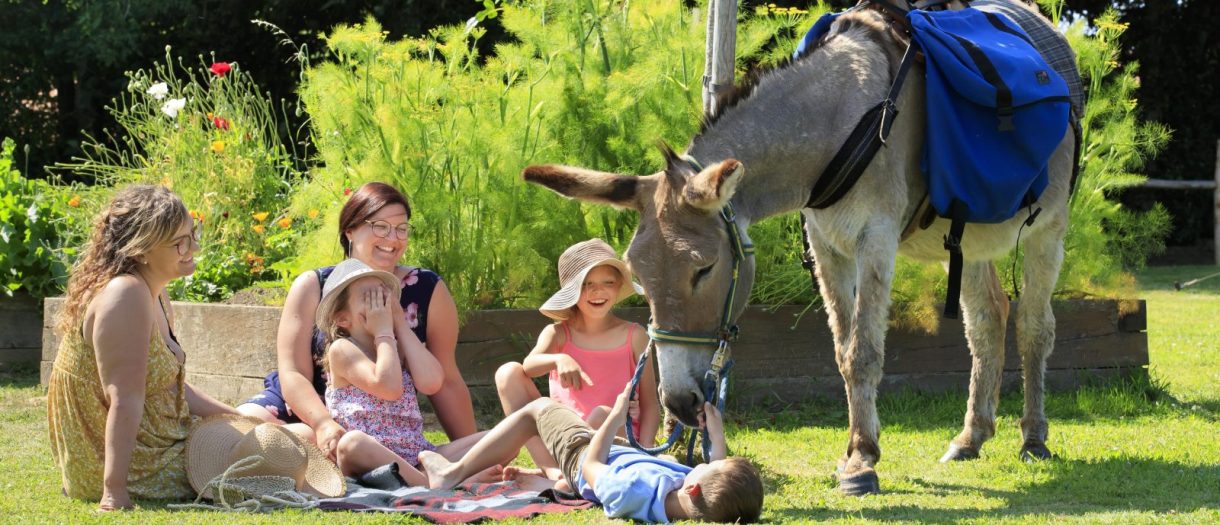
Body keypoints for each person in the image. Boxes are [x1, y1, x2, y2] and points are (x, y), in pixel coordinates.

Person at [236, 182, 476, 460]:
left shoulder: (426, 288)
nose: (393, 238)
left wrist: (474, 450)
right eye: (380, 226)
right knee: (243, 429)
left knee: (484, 449)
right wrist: (323, 423)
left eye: (401, 229)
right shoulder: (315, 285)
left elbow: (445, 379)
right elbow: (293, 373)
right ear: (350, 230)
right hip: (308, 406)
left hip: (372, 417)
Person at [47, 185, 237, 511]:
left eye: (192, 233)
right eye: (180, 242)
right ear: (142, 250)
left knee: (262, 426)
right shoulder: (126, 295)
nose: (193, 246)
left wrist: (236, 416)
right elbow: (123, 398)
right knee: (284, 449)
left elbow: (169, 385)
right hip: (138, 465)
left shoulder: (154, 292)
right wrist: (113, 492)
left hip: (157, 443)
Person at [418, 383, 764, 523]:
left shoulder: (634, 491)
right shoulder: (684, 498)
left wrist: (613, 421)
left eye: (707, 467)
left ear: (695, 488)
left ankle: (451, 474)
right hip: (618, 454)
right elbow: (716, 468)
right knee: (591, 415)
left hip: (583, 457)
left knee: (536, 410)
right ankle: (546, 479)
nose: (705, 463)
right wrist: (715, 430)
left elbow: (591, 466)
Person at [315, 258, 498, 485]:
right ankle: (435, 483)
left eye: (383, 296)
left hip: (416, 454)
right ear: (342, 318)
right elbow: (389, 388)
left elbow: (432, 382)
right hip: (370, 457)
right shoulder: (342, 350)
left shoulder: (395, 346)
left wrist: (400, 325)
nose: (379, 306)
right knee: (351, 443)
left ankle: (444, 477)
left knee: (497, 438)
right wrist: (383, 331)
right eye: (369, 298)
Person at [494, 238, 661, 483]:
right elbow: (529, 366)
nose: (598, 291)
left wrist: (646, 451)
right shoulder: (559, 334)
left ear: (618, 287)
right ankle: (553, 471)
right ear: (572, 290)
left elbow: (650, 404)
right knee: (508, 373)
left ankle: (570, 477)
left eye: (608, 283)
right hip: (564, 440)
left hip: (615, 440)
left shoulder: (635, 336)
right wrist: (559, 358)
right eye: (587, 284)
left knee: (601, 414)